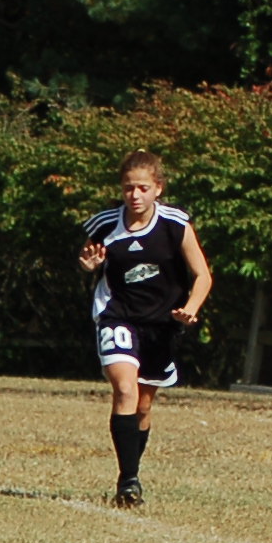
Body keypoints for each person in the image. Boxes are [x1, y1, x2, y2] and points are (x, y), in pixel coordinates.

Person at [80, 151, 211, 510]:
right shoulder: (104, 224)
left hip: (161, 324)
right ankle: (128, 481)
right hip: (117, 316)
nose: (134, 196)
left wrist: (191, 308)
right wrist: (89, 266)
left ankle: (132, 474)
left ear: (158, 188)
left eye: (142, 188)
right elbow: (87, 259)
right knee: (125, 389)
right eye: (128, 188)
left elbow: (202, 275)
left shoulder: (175, 224)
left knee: (143, 404)